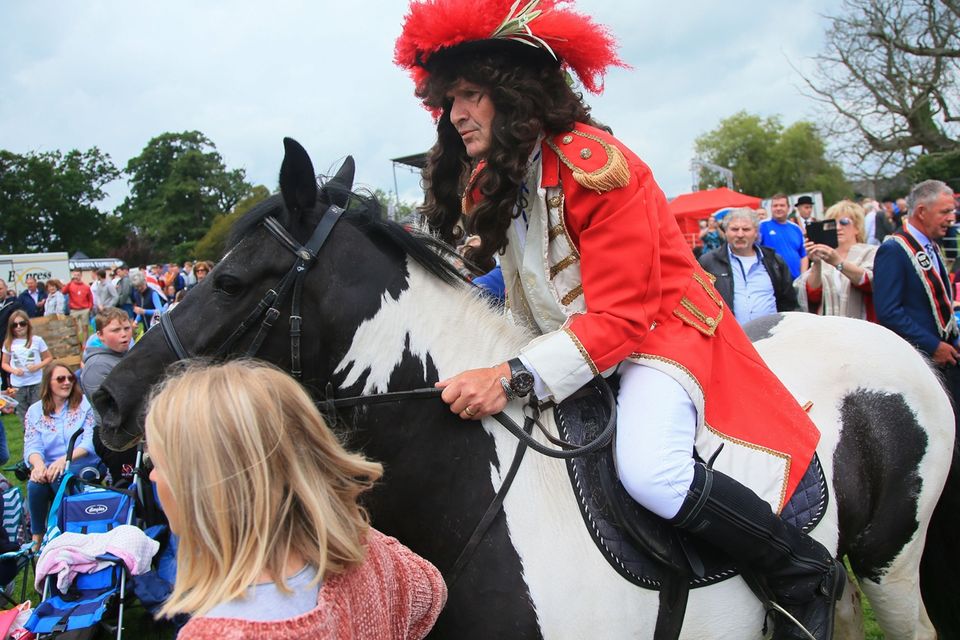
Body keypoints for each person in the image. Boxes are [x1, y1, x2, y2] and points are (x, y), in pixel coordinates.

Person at [395, 1, 843, 638]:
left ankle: (799, 568)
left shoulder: (595, 166)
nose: (457, 114)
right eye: (449, 100)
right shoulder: (506, 174)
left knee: (652, 473)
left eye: (471, 94)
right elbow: (522, 282)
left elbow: (622, 319)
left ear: (514, 94)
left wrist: (512, 375)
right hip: (582, 341)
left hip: (663, 335)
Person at [145, 361, 446, 638]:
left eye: (158, 464)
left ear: (209, 487)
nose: (152, 478)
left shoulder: (214, 635)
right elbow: (430, 591)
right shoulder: (366, 552)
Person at [875, 180, 959, 427]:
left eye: (952, 211)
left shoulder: (931, 244)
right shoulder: (894, 249)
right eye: (945, 212)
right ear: (922, 211)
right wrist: (933, 345)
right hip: (923, 361)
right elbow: (889, 311)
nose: (951, 218)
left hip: (946, 357)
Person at [23, 361, 101, 548]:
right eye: (60, 379)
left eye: (70, 378)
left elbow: (89, 442)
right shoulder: (35, 411)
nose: (67, 382)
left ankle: (65, 534)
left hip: (79, 465)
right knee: (35, 485)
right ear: (48, 383)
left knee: (60, 479)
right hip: (50, 468)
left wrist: (63, 460)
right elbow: (32, 445)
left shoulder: (84, 405)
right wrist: (38, 466)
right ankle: (37, 539)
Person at [698, 208, 797, 323]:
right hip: (730, 337)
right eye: (734, 229)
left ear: (756, 233)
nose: (740, 234)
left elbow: (788, 301)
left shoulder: (774, 261)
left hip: (771, 336)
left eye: (746, 229)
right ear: (725, 232)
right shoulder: (708, 262)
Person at [80, 308, 136, 487]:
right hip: (115, 439)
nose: (123, 334)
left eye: (126, 328)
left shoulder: (127, 356)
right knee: (127, 487)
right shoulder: (96, 366)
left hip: (135, 435)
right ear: (100, 335)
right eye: (115, 330)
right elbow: (111, 409)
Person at [796, 200, 877, 321]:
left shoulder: (872, 252)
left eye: (844, 222)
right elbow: (813, 296)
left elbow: (872, 282)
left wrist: (838, 263)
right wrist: (817, 263)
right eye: (833, 224)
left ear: (857, 228)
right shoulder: (824, 256)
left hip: (863, 328)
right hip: (830, 331)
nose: (838, 228)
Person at [1, 310, 52, 430]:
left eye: (22, 323)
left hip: (36, 383)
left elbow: (48, 358)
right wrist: (14, 371)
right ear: (11, 327)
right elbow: (4, 363)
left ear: (27, 324)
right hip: (19, 385)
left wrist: (37, 366)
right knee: (23, 415)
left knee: (39, 413)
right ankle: (28, 439)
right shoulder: (9, 343)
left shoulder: (37, 340)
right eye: (15, 325)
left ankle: (42, 437)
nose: (19, 327)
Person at [760, 193, 808, 278]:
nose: (778, 208)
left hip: (796, 281)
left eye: (782, 205)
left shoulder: (796, 228)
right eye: (775, 206)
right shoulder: (762, 226)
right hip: (773, 281)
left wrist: (803, 276)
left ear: (788, 208)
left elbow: (803, 255)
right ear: (771, 208)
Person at [60, 269, 93, 339]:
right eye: (75, 275)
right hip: (74, 310)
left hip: (84, 309)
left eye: (78, 275)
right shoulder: (70, 285)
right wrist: (69, 282)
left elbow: (90, 298)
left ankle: (85, 343)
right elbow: (63, 292)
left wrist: (89, 308)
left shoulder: (86, 287)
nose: (76, 277)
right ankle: (77, 343)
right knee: (74, 327)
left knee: (85, 327)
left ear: (81, 276)